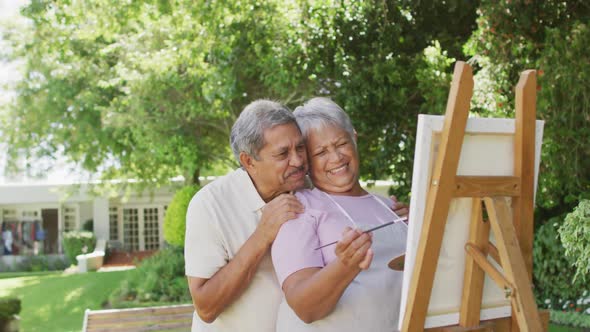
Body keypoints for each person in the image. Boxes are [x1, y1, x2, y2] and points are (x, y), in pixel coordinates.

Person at [271, 97, 408, 331]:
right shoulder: (300, 210)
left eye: (341, 143)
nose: (336, 158)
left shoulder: (389, 207)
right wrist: (345, 264)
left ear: (354, 138)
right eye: (321, 152)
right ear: (306, 162)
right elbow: (305, 308)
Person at [184, 99, 308, 331]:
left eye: (300, 148)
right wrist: (262, 235)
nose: (298, 160)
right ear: (249, 161)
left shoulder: (310, 191)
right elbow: (206, 308)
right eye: (283, 154)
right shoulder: (209, 205)